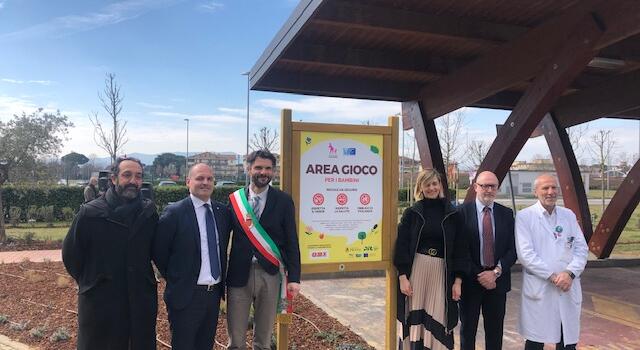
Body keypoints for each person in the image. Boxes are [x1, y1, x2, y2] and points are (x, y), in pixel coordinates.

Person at [62, 156, 159, 350]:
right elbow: (72, 256)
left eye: (138, 176)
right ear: (114, 179)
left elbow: (156, 250)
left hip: (139, 299)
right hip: (101, 301)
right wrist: (93, 281)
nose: (133, 181)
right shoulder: (90, 213)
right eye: (127, 175)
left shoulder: (148, 213)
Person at [226, 149, 301, 350]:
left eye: (268, 168)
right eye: (258, 167)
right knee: (236, 340)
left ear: (273, 172)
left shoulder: (284, 201)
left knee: (264, 339)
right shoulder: (235, 200)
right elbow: (223, 240)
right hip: (238, 274)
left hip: (270, 274)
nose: (263, 172)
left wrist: (294, 277)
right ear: (248, 168)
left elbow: (291, 240)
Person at [153, 163, 232, 350]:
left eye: (209, 179)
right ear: (188, 182)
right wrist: (177, 277)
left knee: (205, 345)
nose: (205, 182)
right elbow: (159, 252)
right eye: (199, 178)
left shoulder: (222, 213)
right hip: (185, 295)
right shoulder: (174, 213)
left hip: (213, 296)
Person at [394, 168, 469, 350]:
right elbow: (402, 245)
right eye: (427, 184)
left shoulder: (453, 214)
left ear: (440, 186)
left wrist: (458, 281)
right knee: (414, 315)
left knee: (439, 316)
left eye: (434, 183)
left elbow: (461, 249)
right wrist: (403, 276)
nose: (431, 188)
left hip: (441, 273)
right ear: (420, 187)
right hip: (417, 270)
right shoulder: (412, 213)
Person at [515, 174, 588, 350]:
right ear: (535, 192)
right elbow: (526, 254)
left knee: (567, 340)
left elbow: (581, 248)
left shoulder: (568, 215)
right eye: (545, 188)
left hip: (567, 286)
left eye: (554, 188)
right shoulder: (525, 216)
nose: (550, 192)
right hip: (541, 287)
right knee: (535, 340)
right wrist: (554, 277)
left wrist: (569, 274)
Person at [458, 171, 516, 350]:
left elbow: (513, 249)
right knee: (468, 332)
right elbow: (460, 250)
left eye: (493, 186)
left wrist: (495, 272)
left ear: (497, 189)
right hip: (470, 282)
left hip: (497, 282)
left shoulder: (506, 214)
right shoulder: (461, 213)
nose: (488, 190)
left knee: (495, 332)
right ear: (476, 187)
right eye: (484, 185)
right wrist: (481, 275)